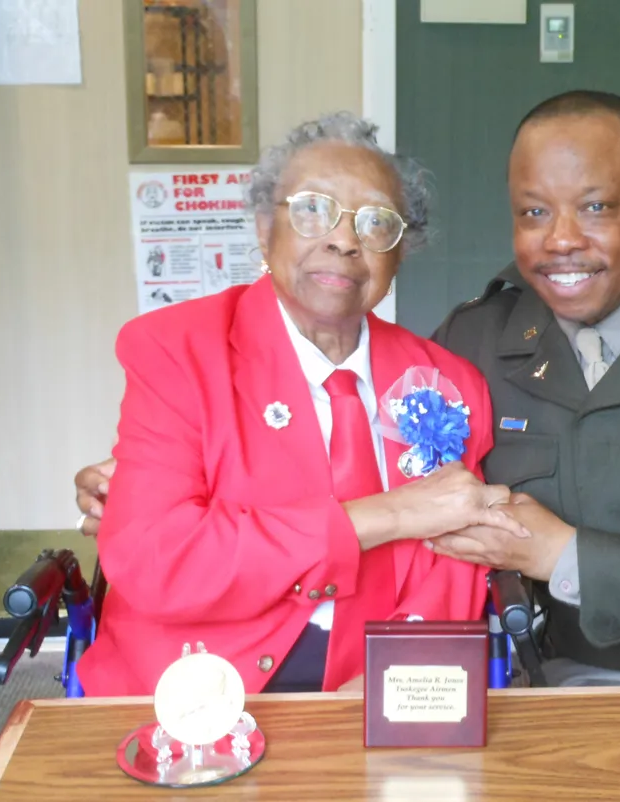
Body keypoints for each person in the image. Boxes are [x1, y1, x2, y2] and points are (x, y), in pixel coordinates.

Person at [79, 91, 620, 686]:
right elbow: (423, 523)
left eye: (597, 206)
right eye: (534, 211)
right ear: (264, 228)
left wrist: (548, 565)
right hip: (578, 672)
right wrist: (149, 486)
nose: (561, 239)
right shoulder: (476, 345)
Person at [75, 112, 527, 697]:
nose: (342, 239)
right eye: (313, 209)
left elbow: (453, 561)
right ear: (265, 228)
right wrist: (387, 515)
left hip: (382, 674)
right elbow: (162, 560)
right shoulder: (177, 351)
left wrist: (394, 680)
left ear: (399, 252)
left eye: (375, 222)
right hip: (196, 679)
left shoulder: (447, 382)